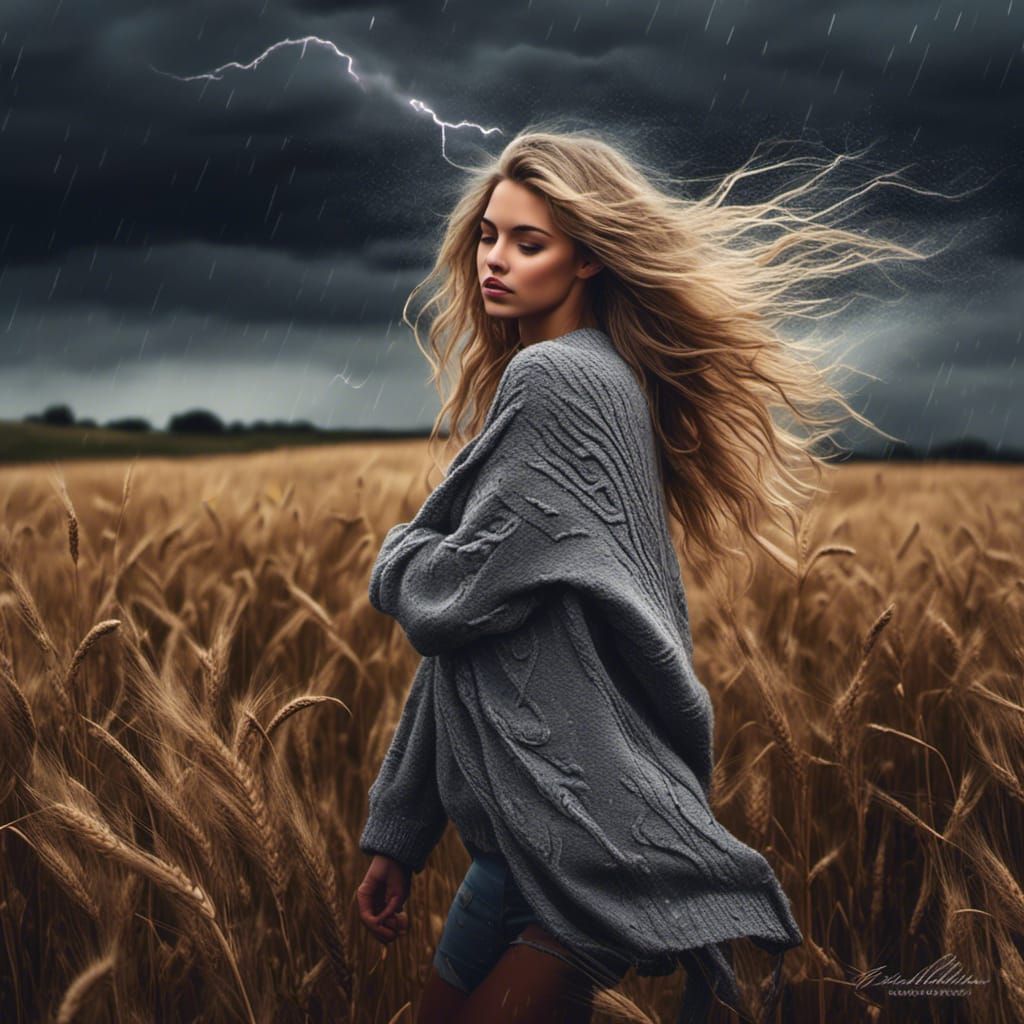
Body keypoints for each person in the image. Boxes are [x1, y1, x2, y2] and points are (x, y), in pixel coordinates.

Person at [355, 127, 930, 1023]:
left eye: (527, 242)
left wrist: (395, 557)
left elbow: (444, 599)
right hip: (522, 851)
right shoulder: (589, 378)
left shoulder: (559, 382)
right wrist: (402, 826)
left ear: (587, 259)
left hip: (582, 852)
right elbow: (479, 642)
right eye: (487, 236)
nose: (494, 261)